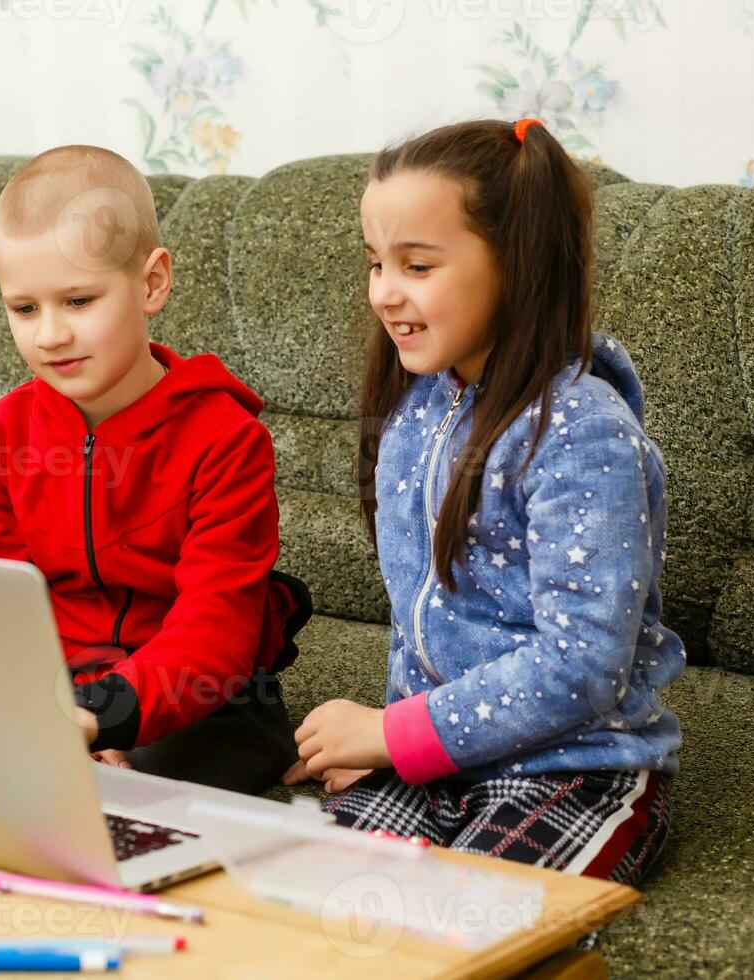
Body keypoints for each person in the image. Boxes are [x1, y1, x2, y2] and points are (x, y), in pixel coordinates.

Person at [286, 118, 682, 890]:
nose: (384, 292)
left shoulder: (583, 436)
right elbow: (424, 615)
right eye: (375, 263)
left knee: (465, 922)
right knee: (301, 898)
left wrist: (394, 736)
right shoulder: (417, 410)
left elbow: (582, 667)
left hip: (574, 768)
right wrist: (390, 752)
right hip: (436, 760)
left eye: (417, 264)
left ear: (516, 263)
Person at [0, 144, 312, 795]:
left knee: (130, 786)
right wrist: (50, 715)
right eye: (25, 309)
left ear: (151, 284)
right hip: (55, 697)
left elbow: (214, 638)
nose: (51, 334)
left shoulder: (228, 439)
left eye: (79, 301)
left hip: (204, 702)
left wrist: (98, 722)